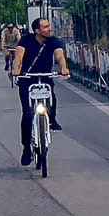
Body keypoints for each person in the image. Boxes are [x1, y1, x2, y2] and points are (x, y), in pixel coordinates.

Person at [12, 16, 69, 164]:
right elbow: (19, 55)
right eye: (45, 27)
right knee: (27, 113)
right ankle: (26, 148)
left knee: (52, 100)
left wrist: (63, 67)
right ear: (37, 30)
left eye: (48, 26)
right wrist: (16, 69)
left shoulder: (53, 41)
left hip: (44, 78)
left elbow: (59, 55)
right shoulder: (26, 40)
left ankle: (51, 121)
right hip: (27, 79)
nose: (49, 29)